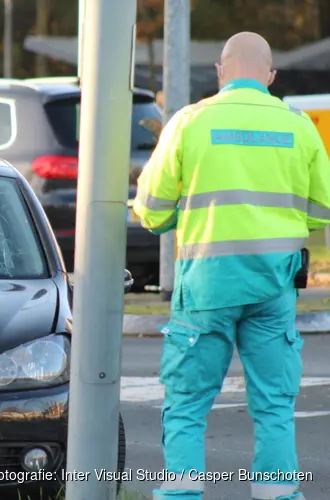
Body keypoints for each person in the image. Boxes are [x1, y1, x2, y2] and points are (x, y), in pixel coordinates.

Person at [132, 31, 330, 500]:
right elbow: (321, 210)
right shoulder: (299, 126)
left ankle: (181, 495)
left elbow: (153, 212)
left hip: (205, 289)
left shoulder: (188, 123)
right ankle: (277, 495)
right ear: (271, 76)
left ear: (220, 72)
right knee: (274, 407)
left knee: (186, 405)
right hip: (273, 288)